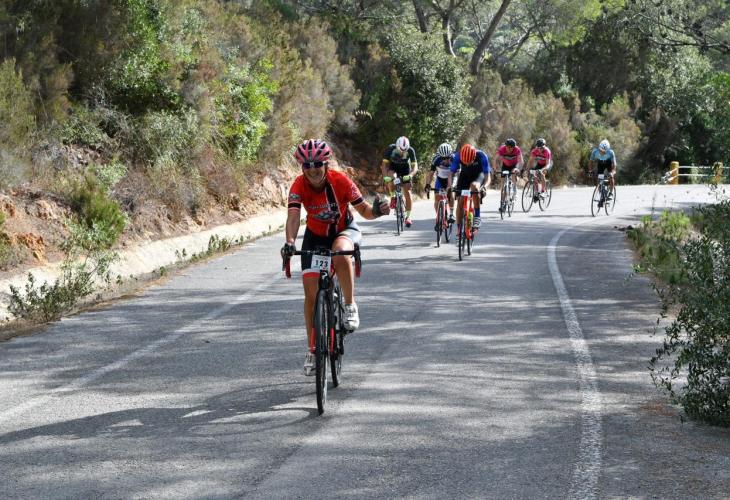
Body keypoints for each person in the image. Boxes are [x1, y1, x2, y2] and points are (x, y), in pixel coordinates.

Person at [282, 139, 390, 375]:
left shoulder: (340, 181)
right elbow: (292, 218)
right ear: (302, 167)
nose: (312, 169)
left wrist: (378, 210)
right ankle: (312, 349)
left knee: (341, 253)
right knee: (311, 295)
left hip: (344, 231)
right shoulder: (298, 185)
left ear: (325, 164)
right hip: (315, 237)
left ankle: (350, 305)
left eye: (317, 164)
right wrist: (290, 243)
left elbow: (365, 211)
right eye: (307, 165)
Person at [447, 143, 492, 232]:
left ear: (474, 156)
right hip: (464, 176)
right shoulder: (458, 156)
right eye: (465, 162)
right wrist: (450, 186)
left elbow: (488, 177)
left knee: (474, 187)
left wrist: (484, 187)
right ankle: (459, 231)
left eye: (469, 161)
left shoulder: (481, 156)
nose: (467, 164)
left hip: (478, 175)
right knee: (460, 201)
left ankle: (477, 216)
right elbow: (451, 173)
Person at [380, 136, 418, 227]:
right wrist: (385, 177)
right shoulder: (391, 149)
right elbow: (384, 165)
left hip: (405, 170)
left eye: (404, 151)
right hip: (393, 168)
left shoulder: (410, 150)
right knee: (391, 178)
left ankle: (408, 217)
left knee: (407, 192)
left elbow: (415, 167)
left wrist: (410, 175)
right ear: (396, 146)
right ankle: (393, 196)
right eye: (400, 150)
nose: (402, 152)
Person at [424, 142, 456, 226]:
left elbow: (457, 173)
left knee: (450, 193)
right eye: (443, 158)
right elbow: (431, 173)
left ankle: (451, 214)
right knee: (437, 198)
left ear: (450, 155)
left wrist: (453, 186)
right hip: (440, 179)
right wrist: (427, 184)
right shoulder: (436, 159)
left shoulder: (454, 158)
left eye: (447, 157)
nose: (445, 160)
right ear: (440, 156)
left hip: (451, 178)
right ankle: (439, 217)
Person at [495, 138, 524, 213]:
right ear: (506, 146)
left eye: (512, 148)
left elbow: (521, 161)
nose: (510, 149)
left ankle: (514, 189)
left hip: (514, 165)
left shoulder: (517, 150)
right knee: (503, 185)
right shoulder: (502, 149)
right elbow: (496, 159)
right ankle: (502, 204)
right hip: (505, 165)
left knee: (513, 173)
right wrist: (495, 168)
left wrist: (518, 169)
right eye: (508, 147)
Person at [588, 139, 617, 206]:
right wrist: (590, 171)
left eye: (604, 151)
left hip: (608, 163)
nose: (602, 152)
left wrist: (612, 172)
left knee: (611, 177)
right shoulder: (595, 151)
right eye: (601, 150)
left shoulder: (611, 152)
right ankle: (602, 196)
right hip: (600, 164)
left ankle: (610, 193)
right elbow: (590, 162)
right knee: (599, 179)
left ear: (607, 150)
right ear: (599, 148)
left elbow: (614, 164)